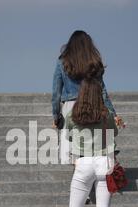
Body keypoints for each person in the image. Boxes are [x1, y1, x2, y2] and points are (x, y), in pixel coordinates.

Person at [49, 78, 118, 207]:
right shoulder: (107, 114)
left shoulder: (73, 114)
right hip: (104, 162)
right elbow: (114, 134)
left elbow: (70, 135)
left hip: (83, 162)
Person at [51, 30, 124, 164]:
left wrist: (56, 116)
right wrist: (113, 114)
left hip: (70, 107)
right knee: (95, 150)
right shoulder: (94, 62)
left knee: (74, 151)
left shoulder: (62, 62)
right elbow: (103, 92)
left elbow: (56, 93)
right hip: (94, 104)